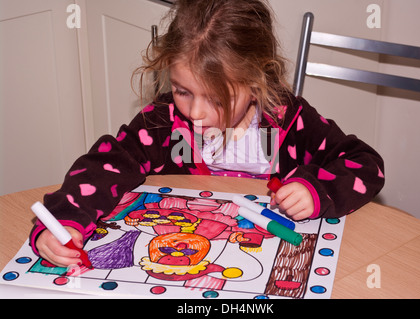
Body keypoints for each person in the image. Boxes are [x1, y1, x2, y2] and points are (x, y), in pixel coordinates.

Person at [31, 0, 384, 267]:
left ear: (257, 80)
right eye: (183, 91)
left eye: (216, 98)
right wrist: (66, 219)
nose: (196, 113)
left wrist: (316, 190)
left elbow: (365, 164)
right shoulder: (163, 124)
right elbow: (105, 165)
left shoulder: (289, 122)